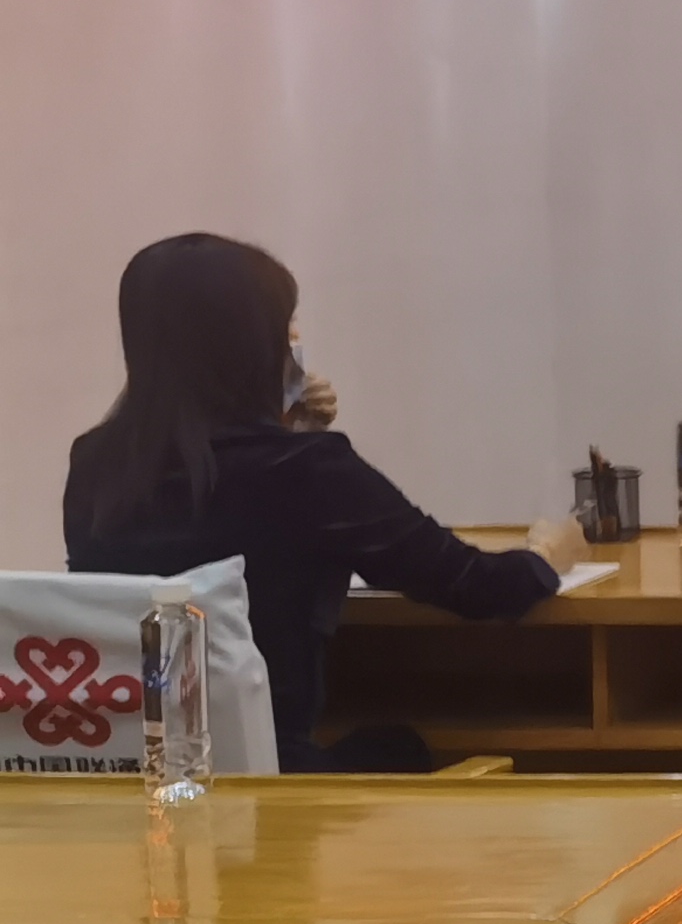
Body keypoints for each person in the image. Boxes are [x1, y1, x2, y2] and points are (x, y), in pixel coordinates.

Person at [62, 234, 574, 771]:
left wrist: (287, 427)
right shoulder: (308, 471)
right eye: (285, 329)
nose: (294, 343)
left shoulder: (96, 465)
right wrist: (546, 556)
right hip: (271, 787)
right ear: (254, 347)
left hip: (137, 784)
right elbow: (471, 585)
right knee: (402, 748)